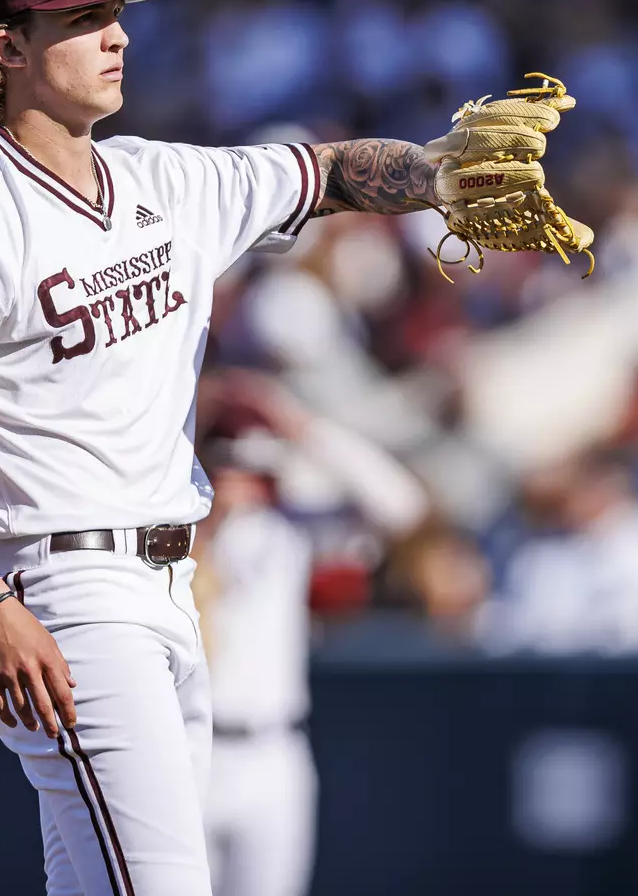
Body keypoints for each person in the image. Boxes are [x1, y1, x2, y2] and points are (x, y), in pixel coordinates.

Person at [0, 0, 551, 896]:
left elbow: (327, 171)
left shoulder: (162, 179)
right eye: (83, 18)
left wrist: (434, 175)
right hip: (62, 586)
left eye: (116, 14)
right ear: (6, 47)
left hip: (172, 585)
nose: (116, 35)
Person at [195, 372, 427, 896]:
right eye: (227, 463)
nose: (239, 481)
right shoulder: (173, 532)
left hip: (275, 749)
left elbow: (401, 506)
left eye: (251, 469)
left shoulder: (287, 531)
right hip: (194, 750)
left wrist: (298, 426)